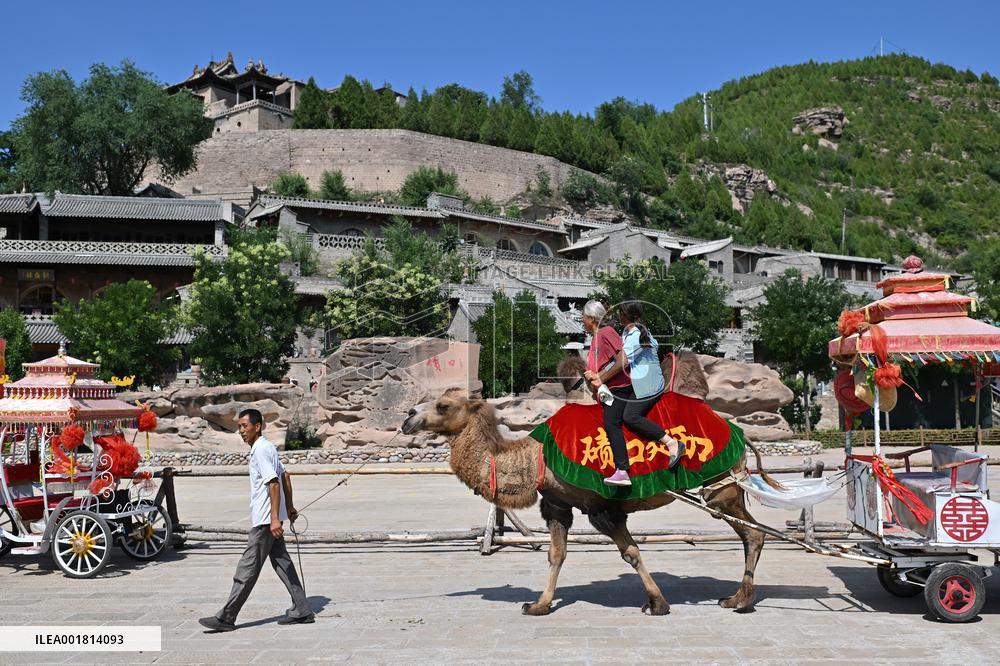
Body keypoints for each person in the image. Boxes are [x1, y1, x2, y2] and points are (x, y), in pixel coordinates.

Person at [199, 409, 315, 632]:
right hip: (271, 519)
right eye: (239, 427)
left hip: (265, 522)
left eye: (244, 426)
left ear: (257, 426)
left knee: (247, 568)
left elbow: (274, 482)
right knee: (283, 564)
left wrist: (274, 518)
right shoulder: (267, 447)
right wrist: (288, 507)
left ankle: (226, 617)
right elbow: (285, 476)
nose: (241, 431)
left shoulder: (261, 449)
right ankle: (302, 608)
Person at [582, 300, 681, 487]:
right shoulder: (629, 332)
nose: (617, 316)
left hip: (648, 384)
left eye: (620, 313)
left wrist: (600, 378)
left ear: (625, 315)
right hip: (639, 384)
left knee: (628, 417)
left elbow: (622, 361)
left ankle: (670, 443)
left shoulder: (633, 334)